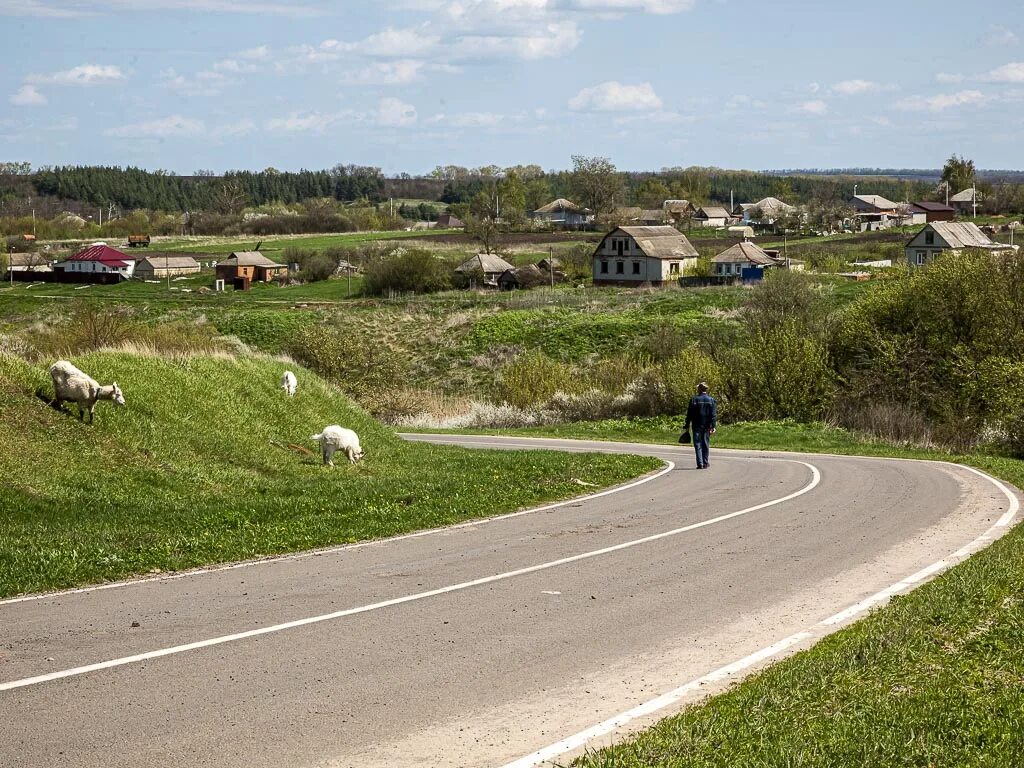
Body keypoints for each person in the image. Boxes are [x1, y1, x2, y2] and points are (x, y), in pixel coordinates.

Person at [684, 382, 717, 469]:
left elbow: (689, 414)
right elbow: (713, 415)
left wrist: (687, 425)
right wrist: (713, 426)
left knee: (698, 444)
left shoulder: (694, 400)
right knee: (705, 444)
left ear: (699, 389)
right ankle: (705, 462)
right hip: (707, 426)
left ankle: (700, 463)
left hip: (696, 425)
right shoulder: (711, 400)